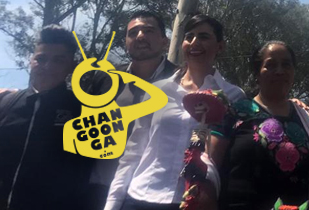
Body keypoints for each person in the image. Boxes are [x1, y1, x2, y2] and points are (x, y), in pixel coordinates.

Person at [105, 14, 245, 210]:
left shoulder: (234, 96)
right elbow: (133, 153)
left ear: (220, 46)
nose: (194, 42)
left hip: (194, 202)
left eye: (204, 37)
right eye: (189, 36)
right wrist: (112, 204)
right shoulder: (157, 90)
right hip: (140, 197)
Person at [86, 10, 179, 209]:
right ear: (126, 42)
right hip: (97, 191)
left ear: (165, 41)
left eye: (148, 30)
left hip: (149, 196)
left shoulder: (181, 82)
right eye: (133, 32)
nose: (140, 36)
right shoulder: (105, 79)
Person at [215, 41, 309, 209]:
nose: (279, 71)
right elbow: (211, 165)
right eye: (270, 65)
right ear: (257, 72)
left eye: (286, 64)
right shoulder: (234, 113)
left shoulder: (308, 120)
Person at [0, 25, 94, 210]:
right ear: (31, 61)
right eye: (40, 59)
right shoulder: (6, 103)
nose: (47, 67)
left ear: (72, 66)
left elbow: (88, 173)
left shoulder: (82, 110)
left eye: (58, 60)